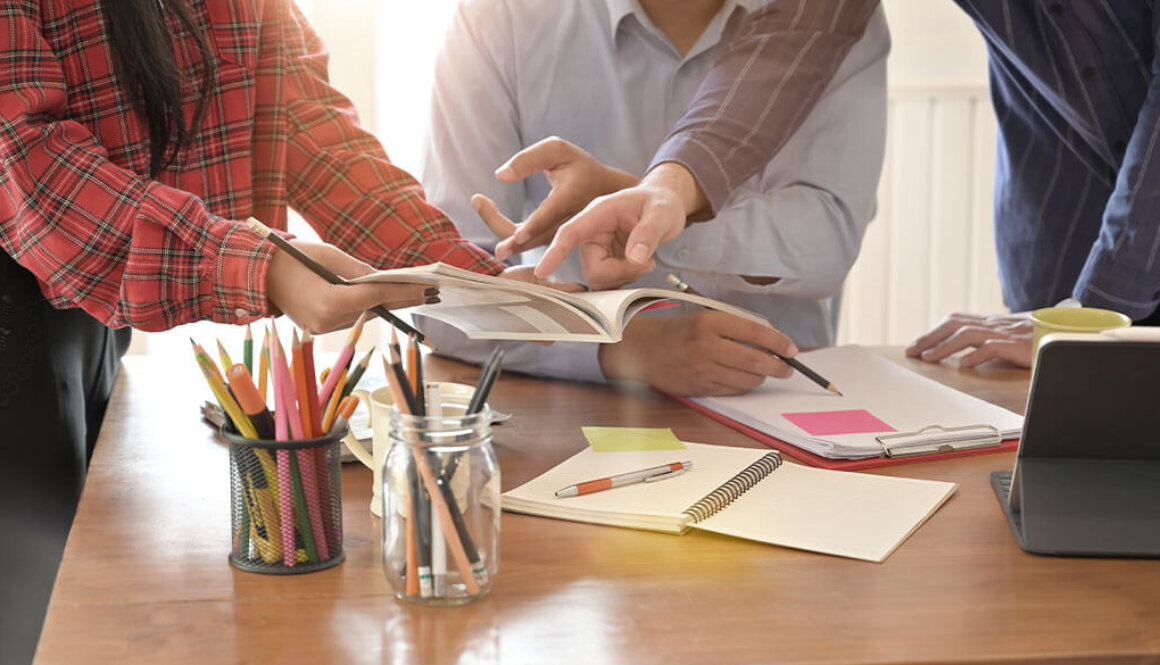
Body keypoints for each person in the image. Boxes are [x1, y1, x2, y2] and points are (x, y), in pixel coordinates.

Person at [0, 2, 522, 661]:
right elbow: (26, 166)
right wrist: (265, 268)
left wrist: (491, 286)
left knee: (83, 610)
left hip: (81, 329)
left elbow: (308, 126)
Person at [499, 1, 1160, 370]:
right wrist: (672, 187)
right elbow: (799, 30)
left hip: (1108, 273)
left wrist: (1096, 311)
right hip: (1061, 232)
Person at [417, 0, 888, 395]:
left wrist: (640, 212)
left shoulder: (834, 16)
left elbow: (827, 246)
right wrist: (620, 347)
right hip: (561, 406)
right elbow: (437, 291)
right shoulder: (499, 15)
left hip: (777, 400)